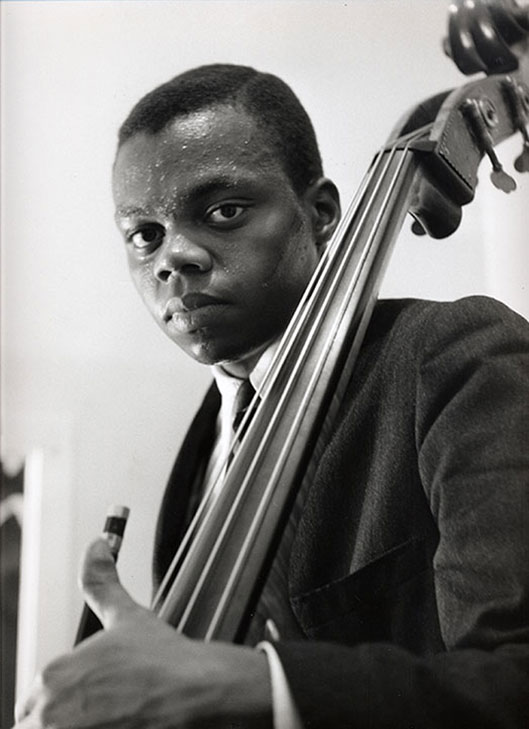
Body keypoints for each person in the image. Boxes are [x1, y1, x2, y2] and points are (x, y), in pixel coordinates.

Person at [14, 64, 529, 729]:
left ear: (319, 214)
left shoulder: (453, 355)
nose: (174, 257)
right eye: (144, 235)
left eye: (223, 210)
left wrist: (262, 683)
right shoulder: (204, 449)